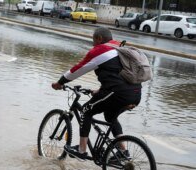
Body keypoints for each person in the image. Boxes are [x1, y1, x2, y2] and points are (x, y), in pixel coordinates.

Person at [52, 27, 141, 159]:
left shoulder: (100, 50)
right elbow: (117, 76)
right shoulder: (120, 49)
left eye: (93, 40)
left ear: (99, 38)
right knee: (110, 116)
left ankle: (81, 150)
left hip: (116, 93)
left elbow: (78, 69)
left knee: (86, 111)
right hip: (135, 93)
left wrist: (60, 82)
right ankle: (123, 153)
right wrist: (99, 91)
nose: (92, 44)